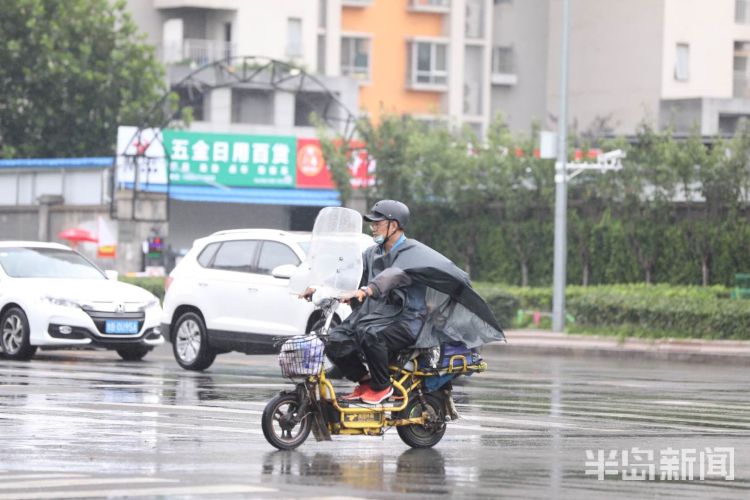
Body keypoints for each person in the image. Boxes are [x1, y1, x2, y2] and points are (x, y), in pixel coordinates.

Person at [316, 200, 427, 404]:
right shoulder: (371, 254)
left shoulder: (411, 254)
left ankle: (383, 386)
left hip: (406, 321)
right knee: (334, 340)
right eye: (372, 223)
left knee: (370, 334)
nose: (373, 227)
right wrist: (319, 287)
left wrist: (368, 290)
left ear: (393, 226)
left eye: (378, 223)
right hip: (377, 316)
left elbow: (393, 275)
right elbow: (350, 275)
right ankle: (365, 380)